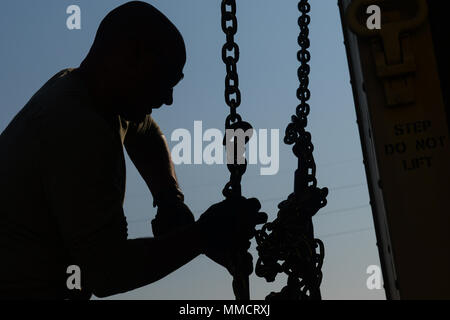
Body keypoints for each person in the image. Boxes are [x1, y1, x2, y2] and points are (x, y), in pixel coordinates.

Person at [0, 1, 267, 299]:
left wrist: (169, 200)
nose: (168, 99)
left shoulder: (88, 90)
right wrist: (203, 235)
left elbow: (147, 133)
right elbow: (106, 273)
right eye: (163, 79)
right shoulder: (77, 128)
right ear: (129, 57)